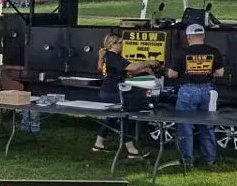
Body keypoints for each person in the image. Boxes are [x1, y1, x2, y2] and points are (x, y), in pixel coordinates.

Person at [166, 24, 225, 168]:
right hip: (208, 92)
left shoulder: (182, 53)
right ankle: (210, 160)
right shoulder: (214, 51)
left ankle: (187, 161)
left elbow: (172, 74)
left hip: (188, 91)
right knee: (207, 126)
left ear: (188, 37)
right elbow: (220, 73)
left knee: (185, 126)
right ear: (203, 36)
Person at [92, 33, 159, 158]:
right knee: (128, 116)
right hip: (113, 92)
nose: (123, 45)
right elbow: (132, 67)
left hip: (107, 90)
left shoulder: (108, 56)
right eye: (121, 43)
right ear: (113, 44)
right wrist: (148, 61)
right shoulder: (113, 56)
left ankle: (98, 143)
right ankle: (131, 149)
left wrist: (143, 70)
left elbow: (122, 71)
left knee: (112, 117)